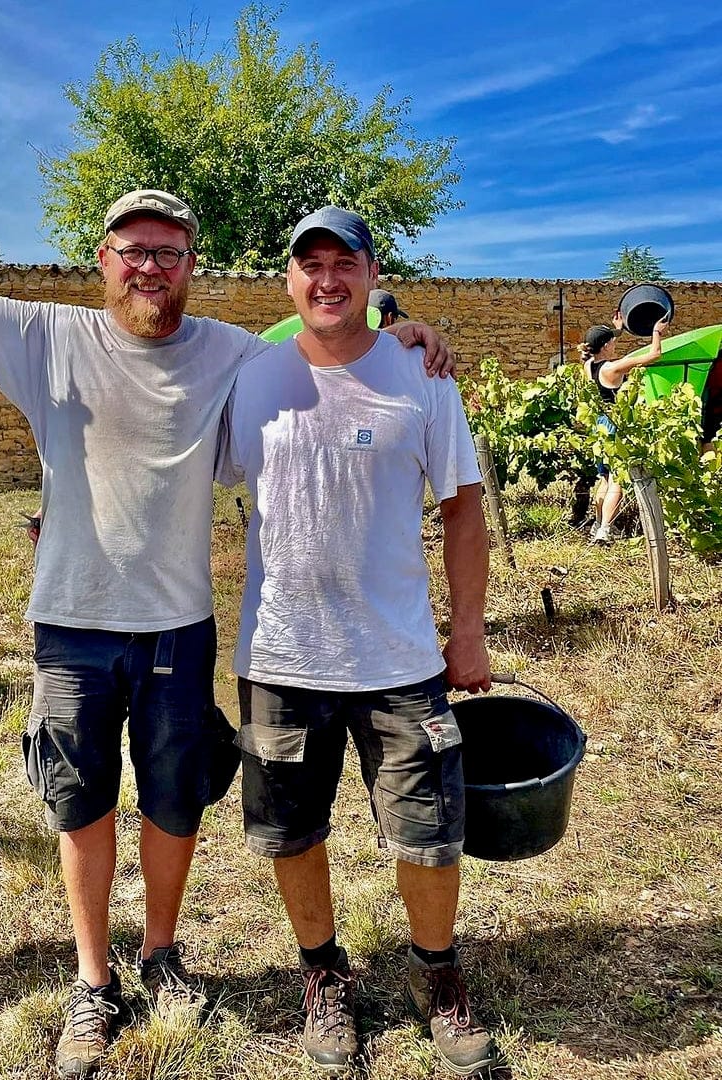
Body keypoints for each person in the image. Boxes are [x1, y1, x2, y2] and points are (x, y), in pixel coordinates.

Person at [0, 128, 451, 1079]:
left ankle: (161, 953)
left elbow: (325, 335)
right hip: (70, 623)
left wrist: (403, 330)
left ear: (191, 267)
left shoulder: (229, 351)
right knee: (83, 804)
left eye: (168, 253)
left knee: (174, 802)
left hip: (179, 621)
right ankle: (92, 980)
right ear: (103, 261)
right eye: (133, 250)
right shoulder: (45, 336)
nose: (150, 266)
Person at [218, 206, 497, 1075]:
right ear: (288, 280)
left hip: (400, 657)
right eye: (312, 264)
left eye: (347, 263)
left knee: (430, 832)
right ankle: (322, 974)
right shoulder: (248, 376)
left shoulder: (423, 374)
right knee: (291, 831)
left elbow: (461, 508)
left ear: (374, 277)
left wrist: (470, 632)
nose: (328, 279)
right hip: (281, 655)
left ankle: (437, 975)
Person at [579, 313, 667, 545]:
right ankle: (605, 531)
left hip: (599, 426)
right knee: (617, 479)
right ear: (606, 346)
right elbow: (655, 355)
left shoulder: (588, 365)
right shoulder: (613, 368)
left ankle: (598, 524)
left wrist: (617, 330)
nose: (616, 344)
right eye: (613, 341)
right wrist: (656, 332)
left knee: (605, 479)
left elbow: (600, 344)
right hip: (614, 425)